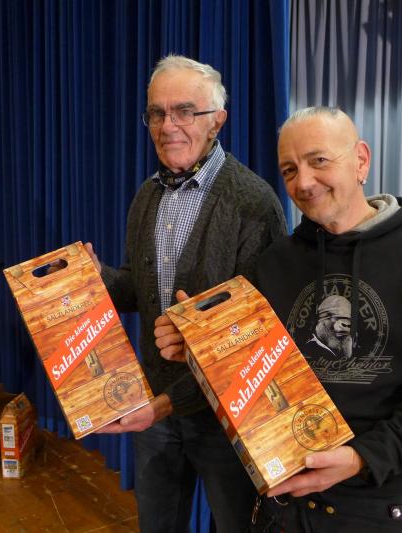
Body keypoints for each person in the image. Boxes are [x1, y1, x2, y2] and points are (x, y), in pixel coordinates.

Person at [156, 106, 402, 532]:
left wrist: (362, 458)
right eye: (289, 170)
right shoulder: (274, 262)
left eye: (319, 160)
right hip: (287, 506)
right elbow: (257, 373)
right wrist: (201, 349)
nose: (303, 183)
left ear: (361, 160)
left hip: (388, 503)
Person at [88, 55, 287, 533]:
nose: (167, 126)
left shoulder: (254, 203)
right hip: (156, 408)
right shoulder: (146, 196)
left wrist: (169, 397)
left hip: (225, 415)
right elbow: (140, 289)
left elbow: (259, 333)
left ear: (217, 120)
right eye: (156, 113)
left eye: (184, 111)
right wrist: (99, 279)